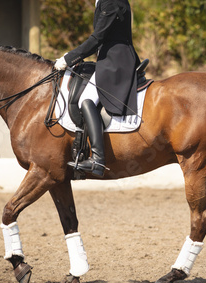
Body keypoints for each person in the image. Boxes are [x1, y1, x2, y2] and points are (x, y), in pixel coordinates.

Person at [54, 0, 140, 177]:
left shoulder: (111, 2)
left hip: (116, 61)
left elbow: (97, 38)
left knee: (86, 100)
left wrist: (69, 58)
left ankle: (98, 159)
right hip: (109, 59)